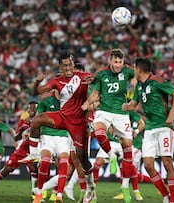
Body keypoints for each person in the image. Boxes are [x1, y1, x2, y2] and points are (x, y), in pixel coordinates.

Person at [19, 50, 96, 203]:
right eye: (65, 65)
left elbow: (97, 87)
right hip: (62, 117)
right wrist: (36, 82)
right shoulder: (56, 80)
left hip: (78, 124)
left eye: (70, 64)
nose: (68, 68)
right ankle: (34, 154)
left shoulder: (83, 77)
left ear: (73, 64)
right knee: (37, 120)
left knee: (83, 159)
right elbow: (35, 92)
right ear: (60, 66)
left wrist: (93, 86)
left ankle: (91, 186)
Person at [122, 57, 174, 203]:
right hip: (149, 128)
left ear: (138, 69)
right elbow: (134, 104)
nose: (133, 71)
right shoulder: (138, 86)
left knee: (167, 161)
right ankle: (165, 196)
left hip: (164, 127)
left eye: (134, 68)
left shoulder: (157, 81)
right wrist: (125, 106)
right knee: (148, 164)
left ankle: (173, 200)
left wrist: (171, 115)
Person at [81, 48, 136, 203]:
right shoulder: (101, 73)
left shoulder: (128, 71)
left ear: (123, 62)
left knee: (128, 150)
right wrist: (86, 103)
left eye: (120, 62)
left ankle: (125, 186)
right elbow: (95, 93)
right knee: (99, 132)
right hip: (104, 111)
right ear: (110, 61)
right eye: (115, 61)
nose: (118, 65)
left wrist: (135, 90)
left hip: (121, 114)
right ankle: (111, 155)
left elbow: (140, 77)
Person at [0, 101, 39, 199]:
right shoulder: (23, 122)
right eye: (30, 108)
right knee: (7, 169)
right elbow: (16, 138)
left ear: (38, 110)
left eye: (34, 108)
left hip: (35, 150)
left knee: (34, 169)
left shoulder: (41, 122)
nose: (32, 110)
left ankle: (35, 193)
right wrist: (21, 133)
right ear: (27, 110)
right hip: (22, 150)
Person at [32, 90, 72, 203]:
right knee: (45, 162)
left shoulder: (70, 103)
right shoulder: (46, 101)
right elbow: (36, 119)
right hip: (47, 136)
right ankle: (39, 193)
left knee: (64, 163)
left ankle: (59, 195)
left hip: (63, 137)